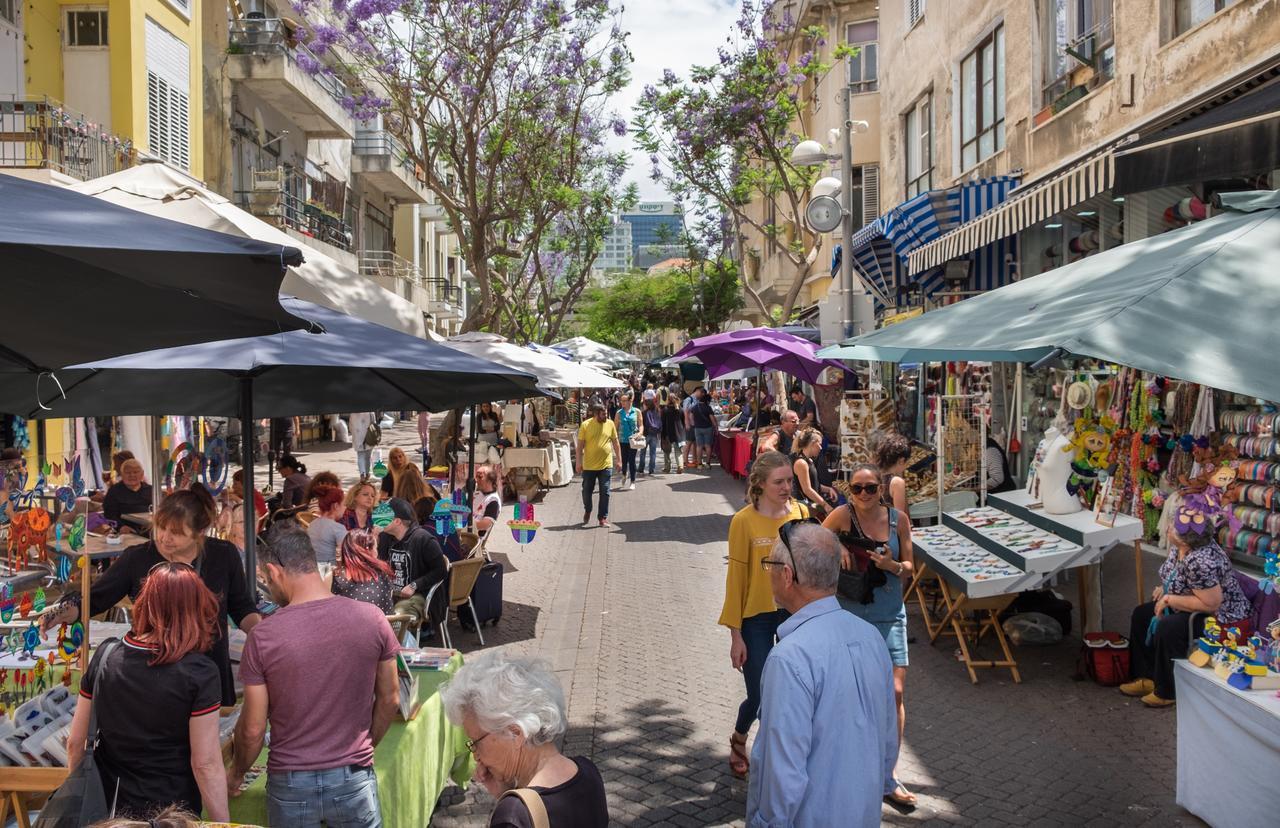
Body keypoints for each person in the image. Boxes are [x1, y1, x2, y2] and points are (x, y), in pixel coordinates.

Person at [229, 524, 401, 828]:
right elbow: (390, 698)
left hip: (291, 782)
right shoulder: (372, 619)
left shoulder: (264, 636)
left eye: (266, 580)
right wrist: (365, 746)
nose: (269, 586)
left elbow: (253, 729)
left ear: (274, 571)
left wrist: (238, 772)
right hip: (354, 775)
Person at [42, 488, 259, 706]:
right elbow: (94, 599)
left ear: (200, 531)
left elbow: (242, 607)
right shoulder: (137, 558)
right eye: (161, 527)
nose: (165, 538)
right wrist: (61, 612)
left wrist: (263, 635)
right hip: (153, 675)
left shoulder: (224, 554)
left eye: (176, 532)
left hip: (210, 668)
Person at [747, 522, 897, 827]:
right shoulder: (870, 636)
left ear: (787, 576)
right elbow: (887, 733)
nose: (770, 573)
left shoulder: (790, 657)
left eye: (770, 565)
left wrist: (768, 822)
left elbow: (782, 767)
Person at [67, 562, 228, 821]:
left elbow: (76, 743)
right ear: (196, 609)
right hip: (173, 815)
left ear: (145, 603)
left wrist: (78, 798)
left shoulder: (106, 656)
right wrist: (223, 824)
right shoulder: (200, 672)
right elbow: (205, 764)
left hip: (110, 811)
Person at [823, 462, 916, 808]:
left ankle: (888, 776)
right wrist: (840, 548)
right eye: (857, 488)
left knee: (894, 691)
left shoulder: (898, 520)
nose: (864, 494)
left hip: (889, 613)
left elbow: (910, 567)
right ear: (850, 490)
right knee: (849, 694)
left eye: (870, 488)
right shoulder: (842, 515)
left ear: (882, 488)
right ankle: (848, 767)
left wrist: (892, 566)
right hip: (851, 614)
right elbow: (813, 540)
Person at [440, 650, 609, 828]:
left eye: (475, 742)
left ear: (516, 734)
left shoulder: (514, 816)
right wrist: (505, 793)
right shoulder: (588, 771)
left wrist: (509, 805)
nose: (475, 756)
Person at [718, 451, 809, 778]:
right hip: (755, 618)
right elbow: (736, 578)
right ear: (759, 484)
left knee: (790, 691)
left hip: (793, 617)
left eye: (789, 481)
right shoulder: (742, 521)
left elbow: (806, 572)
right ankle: (740, 738)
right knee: (759, 693)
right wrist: (735, 635)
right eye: (779, 482)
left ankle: (780, 761)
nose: (787, 487)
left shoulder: (800, 513)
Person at [1122, 495, 1252, 707]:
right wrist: (1165, 589)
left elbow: (1211, 604)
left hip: (1221, 619)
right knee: (1141, 614)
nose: (1168, 528)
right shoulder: (1179, 548)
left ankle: (1167, 691)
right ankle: (1146, 676)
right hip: (1191, 605)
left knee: (1168, 627)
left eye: (1173, 527)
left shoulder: (1200, 560)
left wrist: (1170, 599)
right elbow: (1178, 578)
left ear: (1185, 539)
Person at [377, 497, 448, 630]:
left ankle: (396, 650)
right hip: (391, 594)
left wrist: (415, 585)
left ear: (397, 521)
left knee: (395, 621)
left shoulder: (423, 539)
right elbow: (380, 565)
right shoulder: (385, 537)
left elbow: (441, 571)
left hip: (418, 595)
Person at [576, 404, 621, 528]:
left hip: (606, 465)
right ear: (595, 414)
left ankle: (602, 518)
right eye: (603, 414)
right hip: (589, 466)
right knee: (586, 491)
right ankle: (588, 509)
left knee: (605, 492)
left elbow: (616, 443)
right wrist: (579, 462)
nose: (606, 416)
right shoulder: (585, 425)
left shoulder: (610, 424)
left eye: (606, 413)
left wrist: (619, 460)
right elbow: (579, 447)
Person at [331, 529, 395, 613]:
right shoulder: (383, 572)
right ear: (369, 550)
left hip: (350, 624)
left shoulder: (337, 576)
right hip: (385, 624)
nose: (377, 552)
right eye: (376, 548)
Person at [790, 428, 835, 517]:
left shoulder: (809, 460)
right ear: (812, 444)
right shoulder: (801, 463)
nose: (821, 448)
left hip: (811, 506)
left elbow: (814, 484)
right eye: (819, 444)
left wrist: (828, 489)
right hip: (805, 509)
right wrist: (824, 505)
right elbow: (807, 490)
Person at [102, 458, 153, 534]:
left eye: (135, 472)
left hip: (150, 529)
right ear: (122, 475)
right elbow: (109, 514)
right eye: (128, 472)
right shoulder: (114, 491)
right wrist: (120, 527)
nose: (132, 475)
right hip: (125, 532)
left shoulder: (151, 490)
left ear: (142, 474)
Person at [307, 487, 347, 578]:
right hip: (329, 573)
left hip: (312, 571)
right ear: (336, 506)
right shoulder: (338, 528)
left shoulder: (312, 524)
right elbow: (345, 554)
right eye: (344, 505)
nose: (345, 508)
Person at [873, 432, 912, 513]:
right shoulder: (897, 482)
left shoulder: (875, 477)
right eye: (907, 461)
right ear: (901, 461)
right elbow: (899, 517)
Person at [614, 392, 640, 490]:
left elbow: (641, 425)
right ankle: (624, 474)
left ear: (630, 401)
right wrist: (614, 440)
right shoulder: (619, 413)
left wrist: (640, 433)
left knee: (632, 460)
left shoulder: (637, 411)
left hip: (633, 440)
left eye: (624, 401)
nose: (622, 403)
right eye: (621, 401)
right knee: (623, 461)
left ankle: (633, 481)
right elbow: (614, 428)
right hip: (622, 440)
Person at [690, 388, 716, 469]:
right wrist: (715, 427)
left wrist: (694, 424)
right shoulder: (708, 408)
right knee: (708, 446)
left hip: (697, 428)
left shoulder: (694, 407)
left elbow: (691, 417)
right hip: (708, 428)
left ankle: (699, 464)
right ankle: (708, 463)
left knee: (699, 446)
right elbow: (712, 419)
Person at [473, 465, 503, 536]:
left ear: (490, 480)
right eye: (476, 477)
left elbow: (485, 524)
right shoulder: (478, 493)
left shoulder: (493, 501)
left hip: (474, 537)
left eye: (480, 477)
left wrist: (466, 527)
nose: (476, 480)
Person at [659, 395, 686, 475]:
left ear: (668, 400)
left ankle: (667, 468)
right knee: (678, 451)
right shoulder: (680, 409)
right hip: (678, 433)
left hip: (667, 433)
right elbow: (683, 421)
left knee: (666, 451)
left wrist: (662, 433)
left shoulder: (665, 410)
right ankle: (680, 466)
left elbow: (662, 422)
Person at [349, 412, 378, 478]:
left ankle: (362, 473)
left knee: (360, 456)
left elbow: (351, 427)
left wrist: (355, 434)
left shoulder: (353, 413)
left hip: (358, 437)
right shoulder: (370, 412)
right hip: (369, 437)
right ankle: (367, 473)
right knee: (367, 457)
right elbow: (374, 423)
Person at [640, 396, 662, 476]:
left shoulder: (643, 413)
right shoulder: (657, 412)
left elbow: (641, 424)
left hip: (645, 434)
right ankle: (651, 469)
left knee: (643, 453)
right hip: (654, 434)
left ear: (646, 405)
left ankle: (641, 468)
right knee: (653, 453)